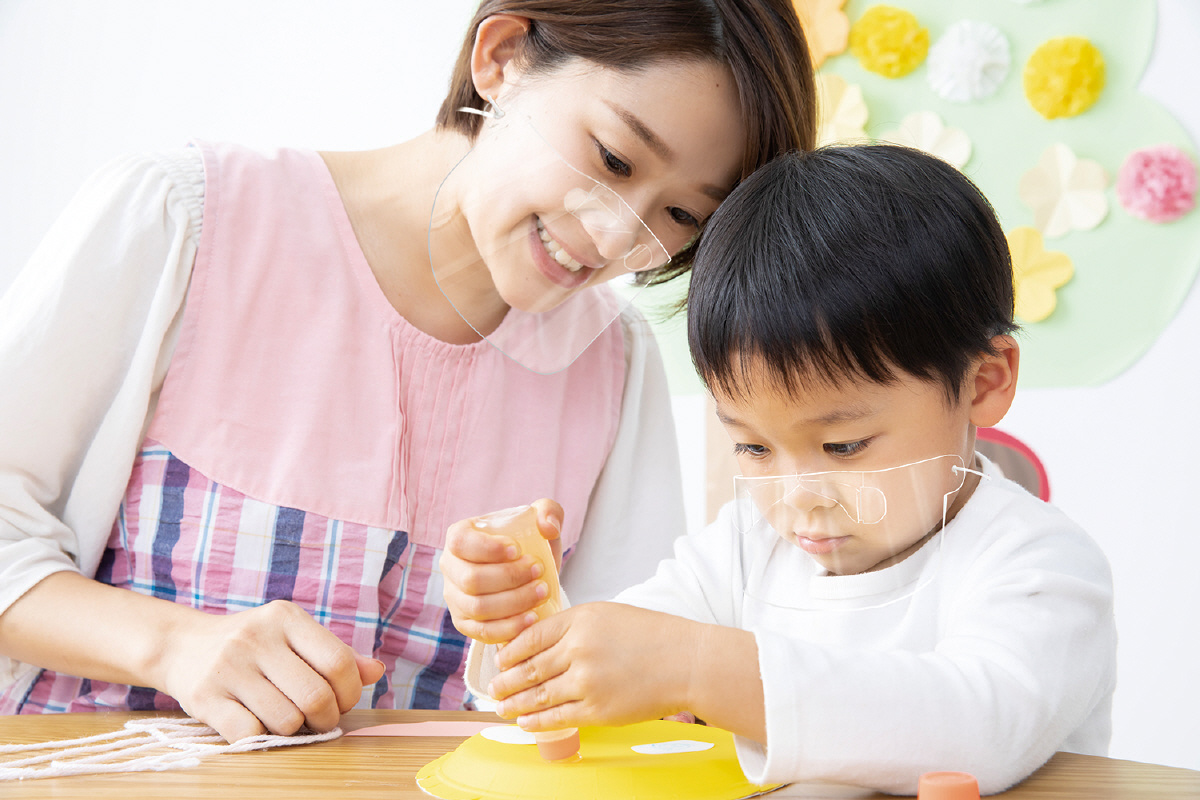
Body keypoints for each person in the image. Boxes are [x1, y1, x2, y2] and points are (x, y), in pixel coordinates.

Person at [0, 1, 817, 744]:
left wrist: (531, 643)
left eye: (680, 216)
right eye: (611, 158)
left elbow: (622, 691)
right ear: (501, 58)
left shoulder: (613, 360)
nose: (614, 239)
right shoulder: (189, 217)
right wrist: (174, 645)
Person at [445, 145, 1117, 795]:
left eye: (844, 446)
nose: (799, 499)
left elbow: (976, 733)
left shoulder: (1037, 563)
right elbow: (614, 662)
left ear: (983, 383)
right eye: (754, 448)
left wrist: (699, 667)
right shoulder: (745, 549)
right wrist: (523, 620)